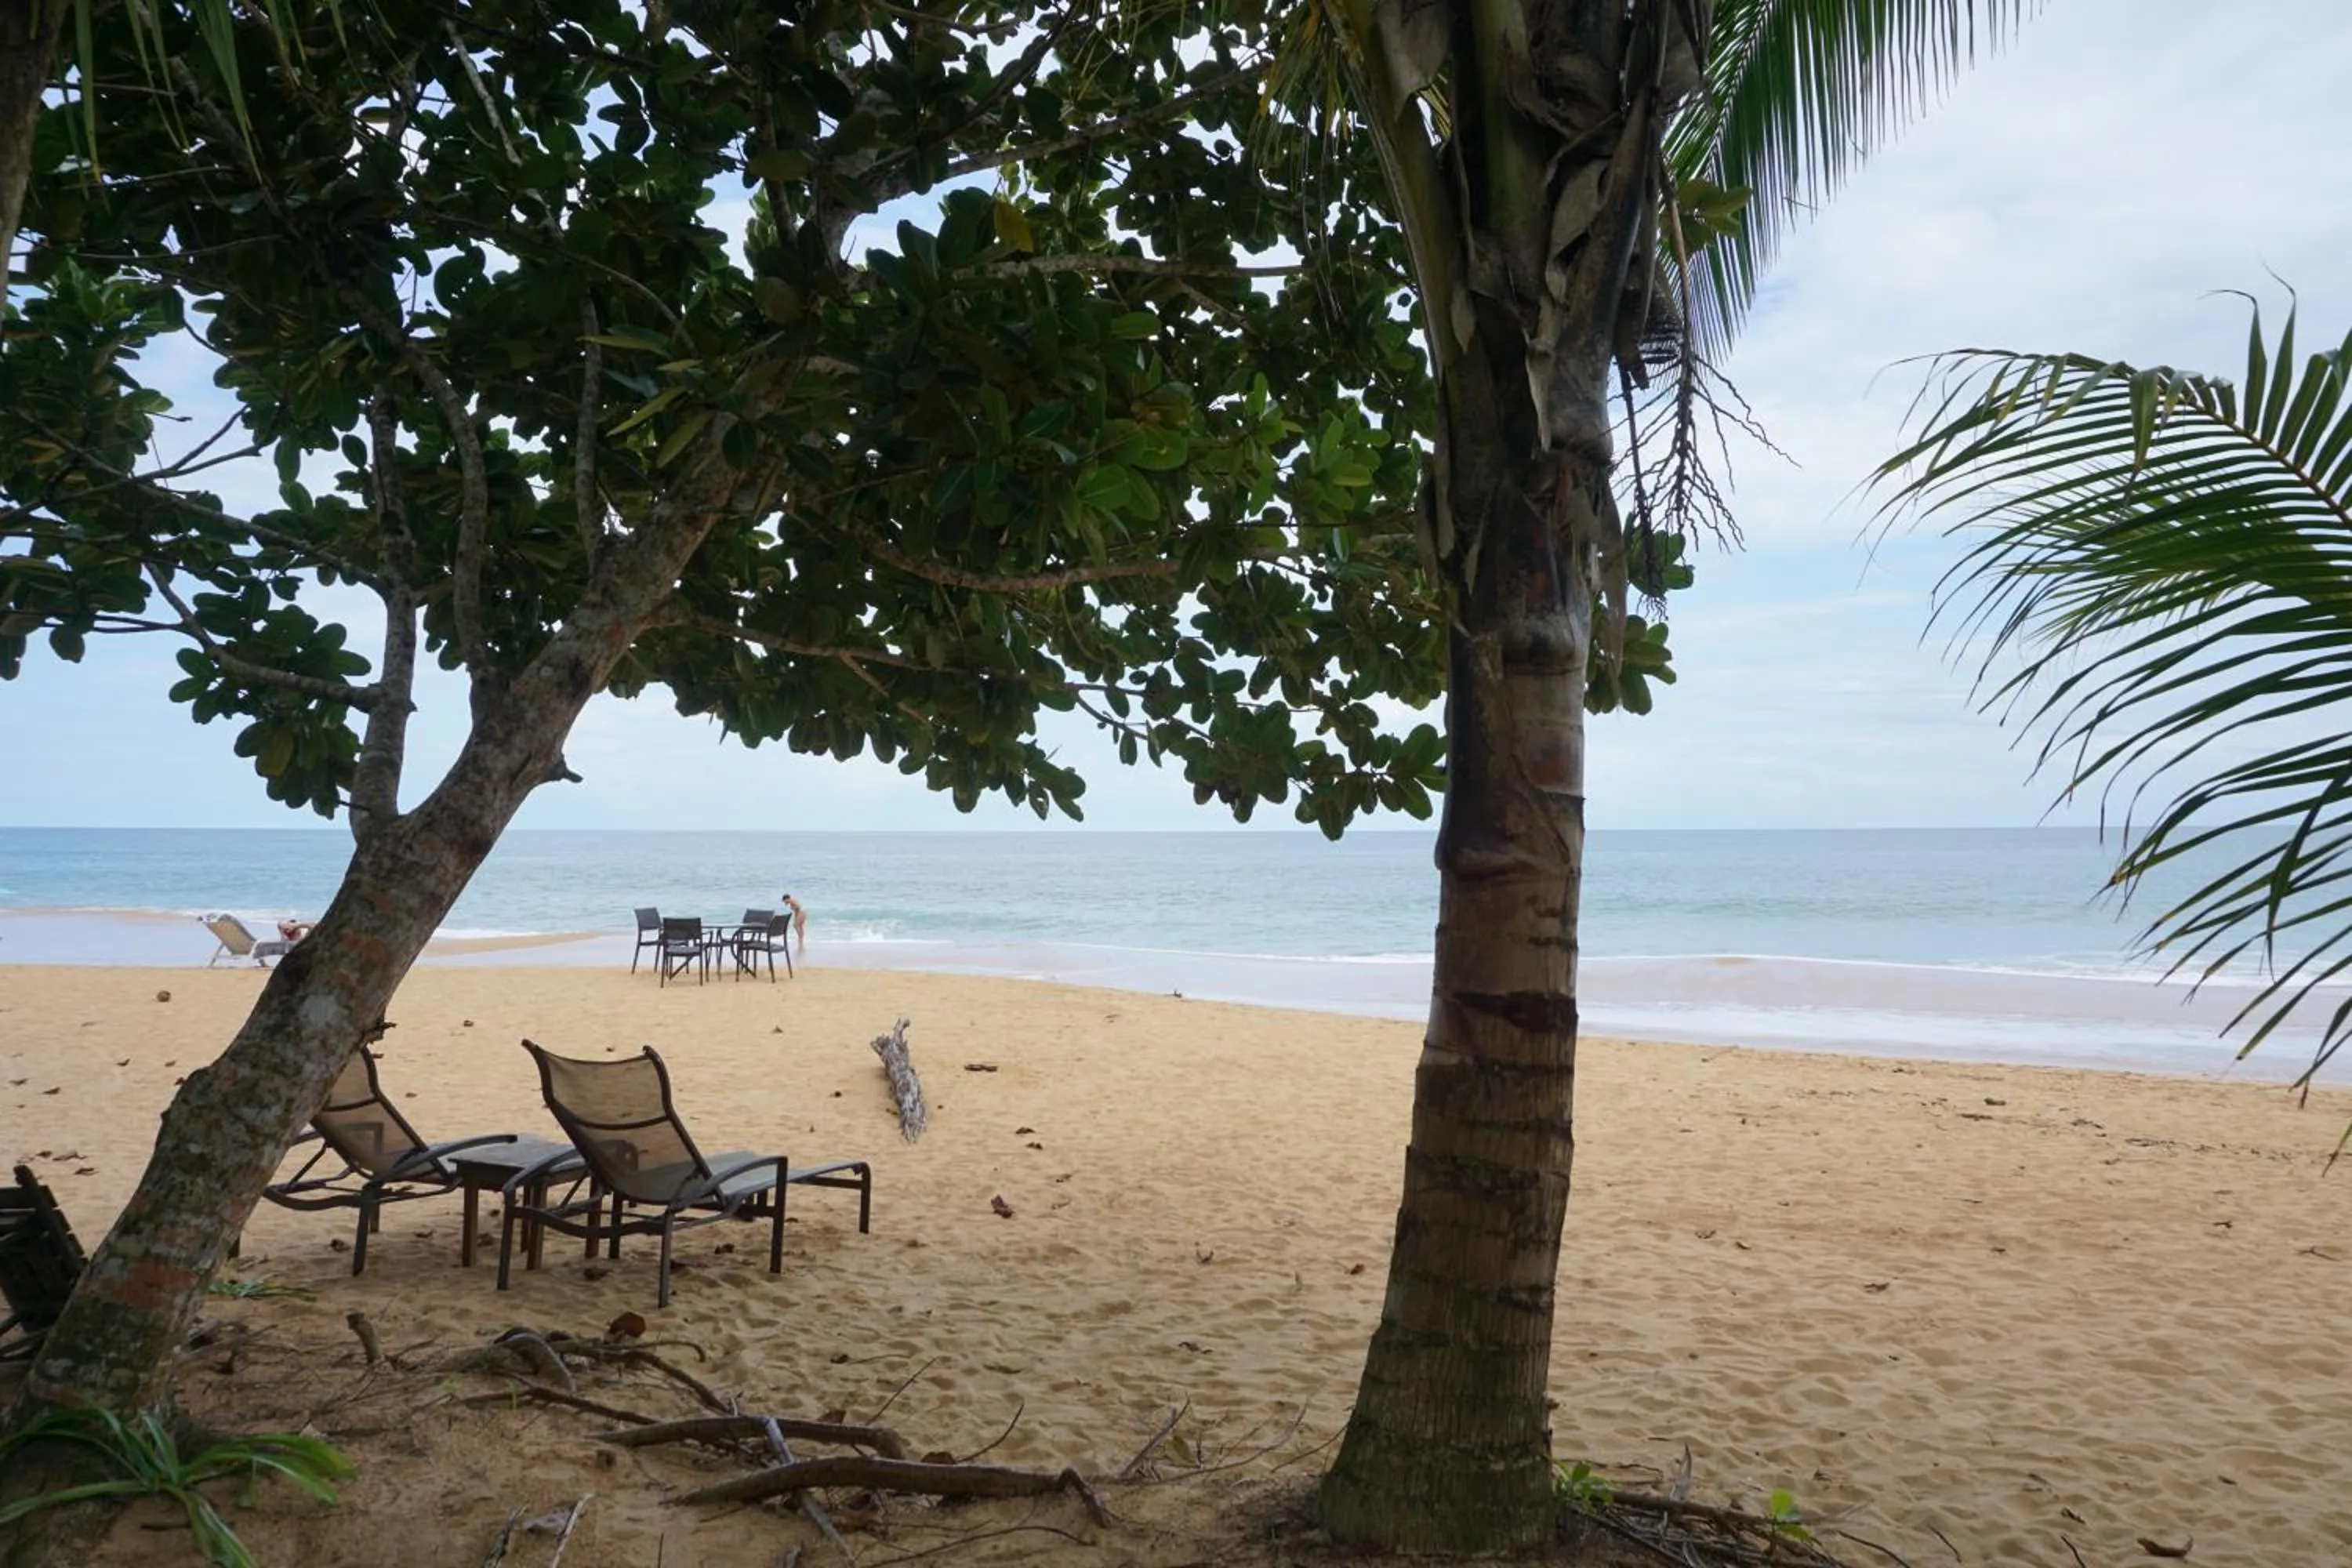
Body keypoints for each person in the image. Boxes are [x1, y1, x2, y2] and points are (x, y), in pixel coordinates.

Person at [779, 893, 807, 957]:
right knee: (799, 926)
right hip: (802, 911)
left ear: (787, 899)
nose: (785, 903)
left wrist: (793, 907)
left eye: (784, 901)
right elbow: (796, 912)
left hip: (802, 911)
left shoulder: (791, 901)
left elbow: (799, 907)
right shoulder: (791, 902)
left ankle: (800, 938)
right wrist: (795, 918)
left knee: (796, 925)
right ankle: (801, 940)